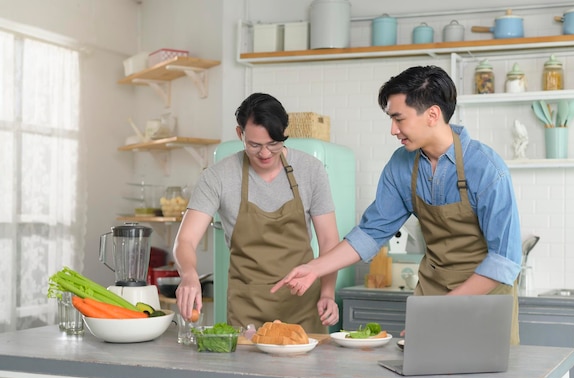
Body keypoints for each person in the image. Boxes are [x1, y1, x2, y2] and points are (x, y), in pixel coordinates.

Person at [272, 66, 522, 344]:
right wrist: (315, 268)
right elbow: (371, 233)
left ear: (432, 115)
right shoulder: (401, 165)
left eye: (398, 119)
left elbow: (504, 260)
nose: (393, 130)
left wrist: (442, 308)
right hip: (433, 293)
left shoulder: (487, 168)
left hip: (484, 297)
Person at [173, 92, 340, 334]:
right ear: (240, 134)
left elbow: (328, 241)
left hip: (303, 305)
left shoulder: (311, 170)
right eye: (255, 145)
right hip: (247, 310)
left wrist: (327, 293)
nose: (265, 154)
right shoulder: (218, 176)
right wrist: (188, 274)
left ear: (284, 132)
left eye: (274, 144)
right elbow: (185, 240)